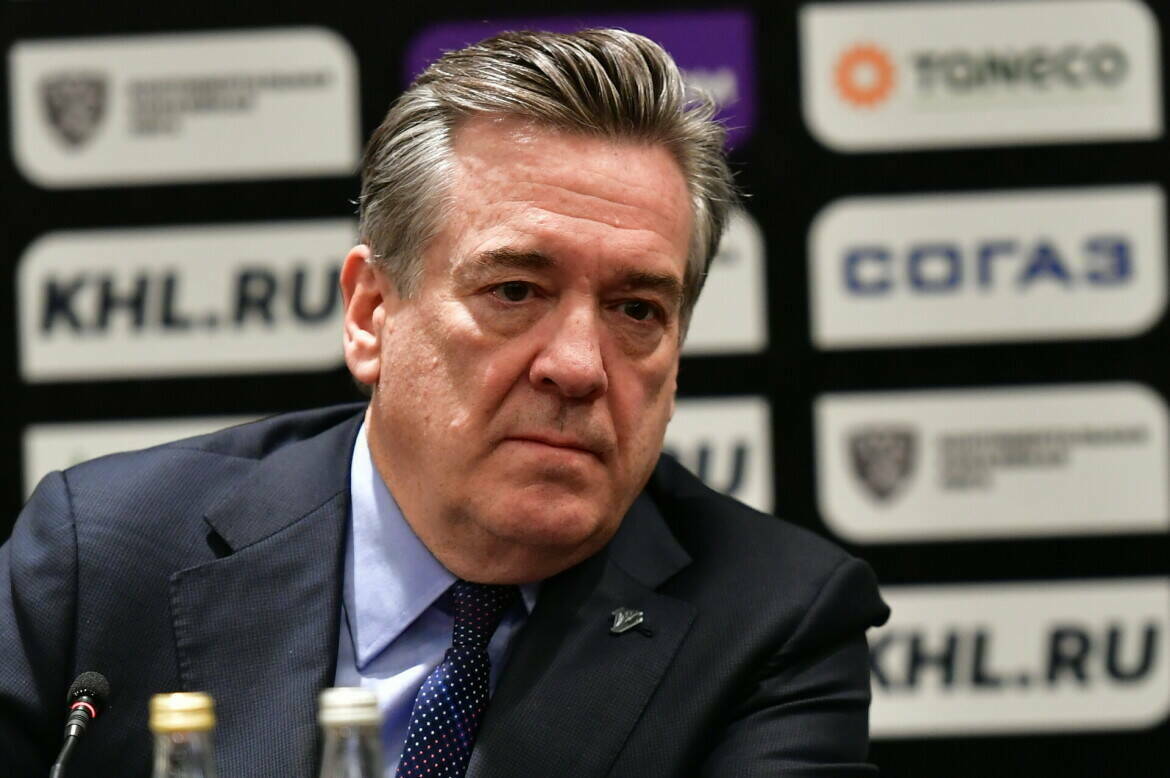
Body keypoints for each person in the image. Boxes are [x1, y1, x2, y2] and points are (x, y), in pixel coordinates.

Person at [0, 29, 889, 777]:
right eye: (515, 291)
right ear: (371, 314)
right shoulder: (105, 556)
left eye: (635, 311)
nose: (578, 367)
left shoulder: (771, 621)